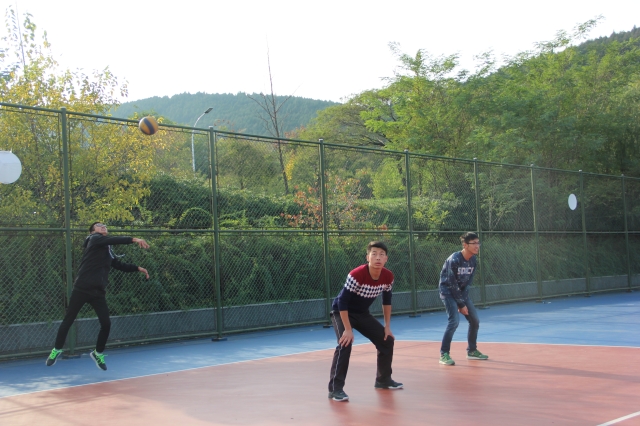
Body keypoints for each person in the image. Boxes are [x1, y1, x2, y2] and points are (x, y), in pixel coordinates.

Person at [45, 222, 150, 371]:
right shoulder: (94, 239)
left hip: (98, 292)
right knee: (68, 320)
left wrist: (138, 268)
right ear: (92, 231)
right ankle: (56, 350)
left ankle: (97, 353)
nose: (103, 226)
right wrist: (134, 239)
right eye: (99, 225)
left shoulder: (107, 249)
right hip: (82, 289)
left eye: (104, 225)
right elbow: (112, 240)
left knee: (106, 324)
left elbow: (118, 265)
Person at [327, 241, 402, 402]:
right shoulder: (356, 274)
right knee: (345, 343)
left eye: (381, 255)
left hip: (362, 313)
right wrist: (348, 329)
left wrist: (387, 326)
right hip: (341, 312)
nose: (378, 258)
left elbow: (387, 301)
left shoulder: (388, 276)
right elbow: (342, 302)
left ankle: (383, 380)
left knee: (386, 340)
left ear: (386, 259)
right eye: (374, 254)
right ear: (367, 257)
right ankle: (335, 389)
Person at [438, 232, 488, 366]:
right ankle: (444, 354)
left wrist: (463, 301)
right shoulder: (454, 259)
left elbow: (468, 283)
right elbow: (451, 283)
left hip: (461, 294)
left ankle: (472, 351)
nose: (477, 246)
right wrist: (461, 304)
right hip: (448, 292)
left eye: (478, 243)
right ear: (465, 245)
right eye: (474, 243)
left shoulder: (473, 260)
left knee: (475, 321)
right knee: (454, 322)